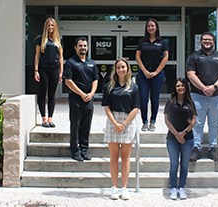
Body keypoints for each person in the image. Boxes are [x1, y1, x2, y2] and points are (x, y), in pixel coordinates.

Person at [186, 32, 218, 162]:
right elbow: (190, 74)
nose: (207, 42)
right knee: (197, 123)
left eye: (210, 40)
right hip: (198, 96)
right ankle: (196, 148)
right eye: (205, 39)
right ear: (200, 42)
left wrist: (214, 87)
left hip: (217, 96)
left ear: (213, 41)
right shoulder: (194, 56)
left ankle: (212, 148)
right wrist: (203, 88)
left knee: (214, 124)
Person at [102, 58, 140, 200]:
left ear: (127, 69)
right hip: (113, 122)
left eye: (123, 67)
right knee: (113, 157)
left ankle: (124, 188)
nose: (121, 70)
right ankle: (114, 188)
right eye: (118, 67)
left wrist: (123, 123)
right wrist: (115, 124)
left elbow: (136, 108)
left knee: (125, 158)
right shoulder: (109, 86)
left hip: (128, 122)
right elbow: (106, 107)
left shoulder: (134, 87)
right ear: (115, 69)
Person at [63, 37, 99, 162]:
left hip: (89, 99)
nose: (83, 47)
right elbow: (68, 81)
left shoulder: (92, 63)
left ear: (87, 47)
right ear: (75, 47)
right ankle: (75, 151)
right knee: (75, 125)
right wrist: (82, 94)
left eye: (85, 45)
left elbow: (95, 80)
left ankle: (84, 150)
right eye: (80, 45)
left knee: (86, 125)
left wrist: (91, 93)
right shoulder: (70, 62)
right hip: (76, 98)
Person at [164, 78, 196, 200]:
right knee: (173, 164)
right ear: (175, 88)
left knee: (184, 164)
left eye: (182, 85)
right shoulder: (170, 102)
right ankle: (173, 188)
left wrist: (183, 133)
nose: (180, 87)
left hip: (187, 139)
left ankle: (181, 187)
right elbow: (167, 121)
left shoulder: (191, 103)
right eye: (178, 86)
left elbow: (193, 121)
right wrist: (177, 134)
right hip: (172, 139)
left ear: (186, 88)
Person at [135, 18, 169, 132]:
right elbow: (137, 57)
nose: (150, 28)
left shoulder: (162, 42)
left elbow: (165, 57)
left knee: (155, 98)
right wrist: (144, 71)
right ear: (146, 28)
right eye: (148, 26)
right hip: (143, 74)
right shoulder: (142, 42)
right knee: (143, 99)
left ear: (156, 27)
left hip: (157, 74)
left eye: (153, 26)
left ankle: (153, 121)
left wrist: (156, 72)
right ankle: (144, 121)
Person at [34, 18, 63, 128]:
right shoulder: (40, 39)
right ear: (46, 27)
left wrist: (61, 72)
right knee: (42, 94)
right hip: (43, 69)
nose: (50, 27)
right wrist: (36, 70)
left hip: (54, 69)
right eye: (49, 25)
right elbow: (37, 55)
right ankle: (43, 119)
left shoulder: (58, 40)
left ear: (55, 27)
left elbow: (61, 57)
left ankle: (50, 119)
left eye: (52, 25)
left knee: (52, 95)